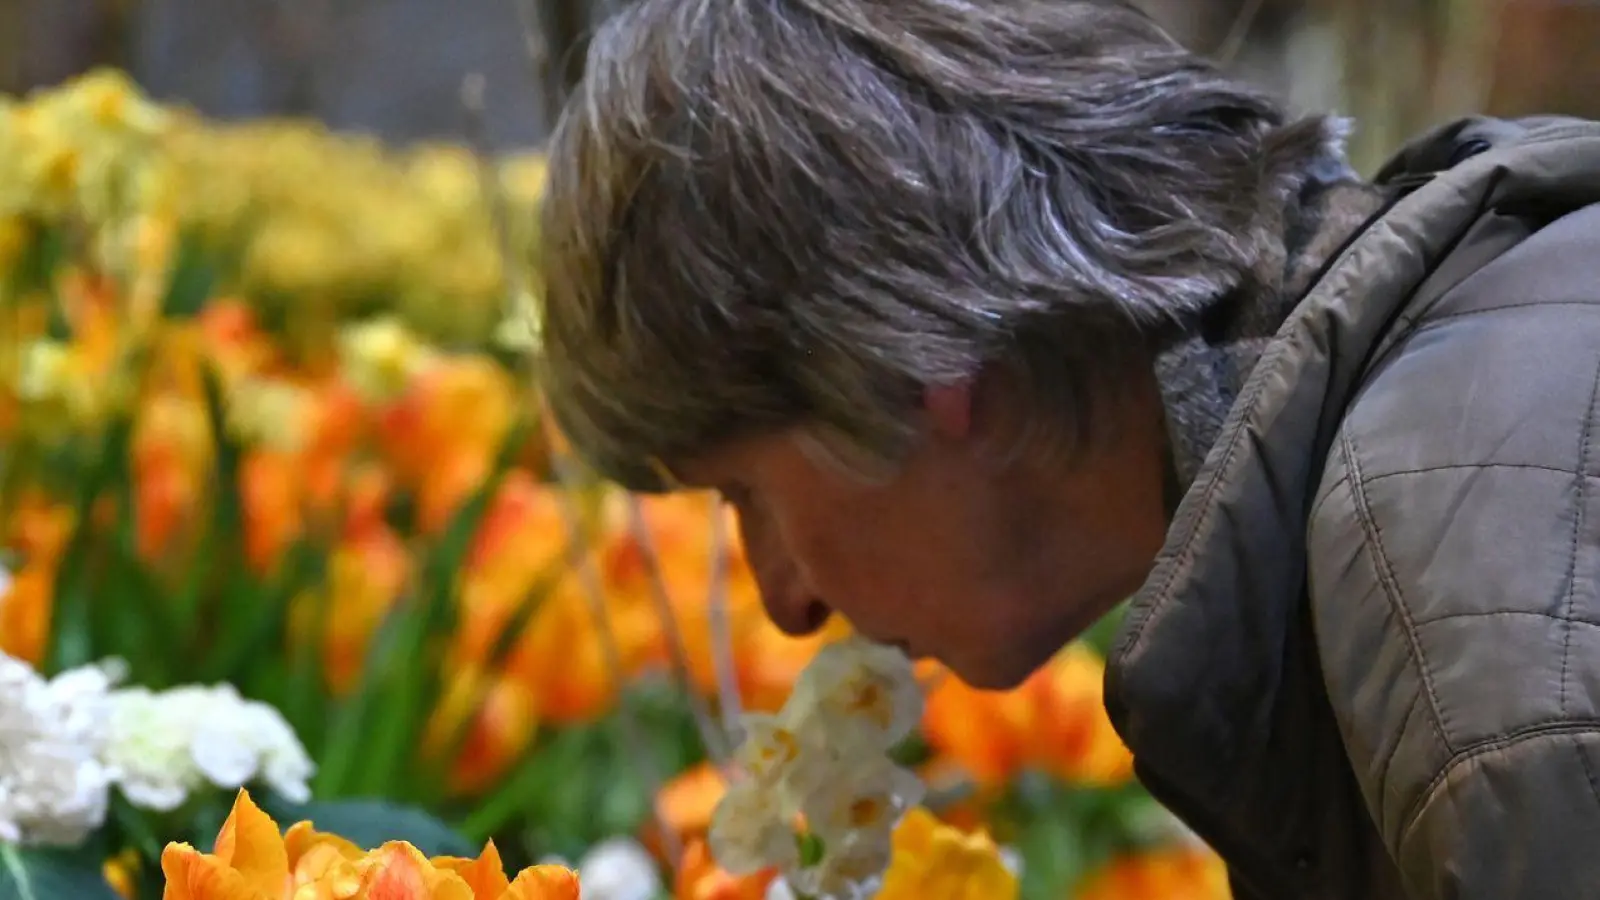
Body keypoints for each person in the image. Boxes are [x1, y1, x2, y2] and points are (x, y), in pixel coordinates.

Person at [533, 0, 1600, 896]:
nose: (783, 603)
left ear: (913, 363)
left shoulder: (1465, 613)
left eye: (743, 493)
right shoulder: (1452, 435)